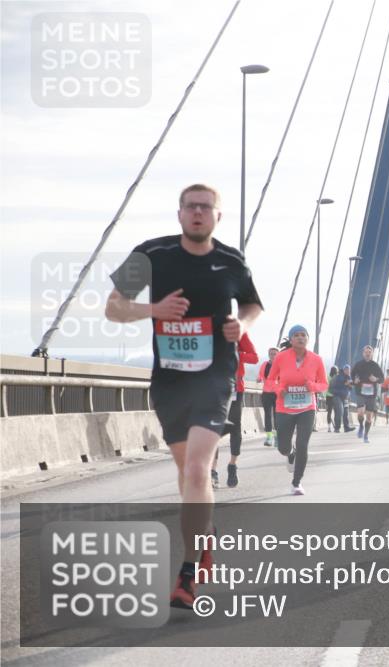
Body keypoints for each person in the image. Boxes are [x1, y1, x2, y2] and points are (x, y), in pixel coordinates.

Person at [105, 183, 263, 608]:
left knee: (197, 470)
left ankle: (187, 574)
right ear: (179, 214)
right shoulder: (151, 255)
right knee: (185, 473)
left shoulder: (231, 261)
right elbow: (114, 307)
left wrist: (242, 326)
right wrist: (152, 311)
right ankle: (204, 535)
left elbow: (252, 306)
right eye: (191, 207)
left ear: (217, 216)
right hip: (170, 380)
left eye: (206, 207)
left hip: (216, 377)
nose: (198, 213)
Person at [269, 325, 328, 495]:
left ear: (308, 339)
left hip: (307, 408)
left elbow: (324, 384)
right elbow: (270, 380)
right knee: (283, 448)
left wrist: (313, 386)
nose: (300, 338)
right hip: (284, 408)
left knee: (303, 444)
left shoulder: (316, 359)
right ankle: (290, 453)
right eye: (296, 335)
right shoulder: (281, 358)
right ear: (291, 339)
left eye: (303, 335)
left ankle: (296, 482)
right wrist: (279, 389)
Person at [211, 332, 258, 488]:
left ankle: (232, 465)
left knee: (234, 428)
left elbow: (254, 357)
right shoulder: (204, 329)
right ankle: (212, 471)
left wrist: (237, 354)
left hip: (234, 390)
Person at [351, 345, 385, 443]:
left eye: (369, 352)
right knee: (361, 413)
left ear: (372, 354)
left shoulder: (375, 365)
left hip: (371, 394)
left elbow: (382, 379)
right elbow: (352, 377)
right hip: (360, 392)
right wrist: (355, 380)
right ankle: (361, 426)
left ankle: (366, 435)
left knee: (369, 417)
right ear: (363, 354)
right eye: (366, 352)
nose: (367, 354)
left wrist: (376, 379)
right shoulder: (358, 365)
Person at [257, 346, 279, 446]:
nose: (273, 355)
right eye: (271, 353)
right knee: (267, 415)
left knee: (277, 416)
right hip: (266, 393)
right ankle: (269, 437)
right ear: (268, 355)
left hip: (277, 394)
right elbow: (261, 375)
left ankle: (277, 437)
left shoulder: (281, 365)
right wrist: (259, 379)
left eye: (275, 353)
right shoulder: (264, 365)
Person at [327, 364, 355, 432]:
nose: (348, 371)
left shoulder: (349, 377)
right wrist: (345, 384)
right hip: (337, 396)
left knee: (346, 412)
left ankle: (346, 427)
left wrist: (350, 385)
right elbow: (334, 387)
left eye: (349, 370)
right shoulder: (338, 377)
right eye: (347, 370)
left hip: (345, 397)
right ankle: (337, 428)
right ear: (344, 370)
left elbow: (350, 388)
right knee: (339, 411)